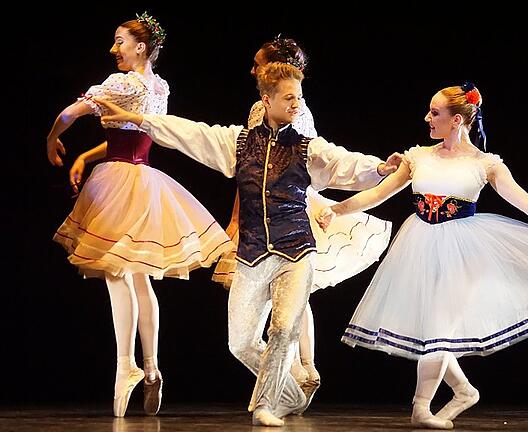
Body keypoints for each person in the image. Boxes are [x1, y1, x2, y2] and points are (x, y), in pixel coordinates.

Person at [95, 61, 395, 426]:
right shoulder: (237, 142)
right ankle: (290, 395)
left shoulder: (307, 148)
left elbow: (342, 162)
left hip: (296, 251)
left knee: (283, 328)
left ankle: (268, 404)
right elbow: (192, 133)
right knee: (239, 343)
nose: (296, 104)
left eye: (299, 97)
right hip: (253, 254)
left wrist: (378, 168)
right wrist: (137, 119)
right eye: (289, 97)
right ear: (266, 101)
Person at [316, 83, 528, 429]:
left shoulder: (485, 165)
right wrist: (337, 209)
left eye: (435, 113)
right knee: (433, 328)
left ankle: (421, 407)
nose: (427, 118)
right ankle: (464, 390)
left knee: (440, 326)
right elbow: (377, 195)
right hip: (420, 244)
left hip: (465, 251)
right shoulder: (418, 157)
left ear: (457, 120)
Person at [46, 13, 233, 417]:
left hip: (118, 184)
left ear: (141, 48)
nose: (114, 49)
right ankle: (151, 367)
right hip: (145, 178)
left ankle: (124, 366)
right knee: (140, 278)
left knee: (115, 272)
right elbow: (136, 133)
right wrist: (85, 154)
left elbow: (70, 114)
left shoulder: (121, 82)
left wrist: (53, 137)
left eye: (120, 41)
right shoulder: (158, 86)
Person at [211, 37, 398, 405]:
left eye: (257, 63)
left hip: (290, 205)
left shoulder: (270, 109)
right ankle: (302, 368)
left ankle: (296, 371)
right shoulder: (298, 104)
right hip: (294, 199)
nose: (252, 70)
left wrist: (238, 217)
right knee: (295, 295)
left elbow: (258, 170)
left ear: (272, 69)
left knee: (285, 296)